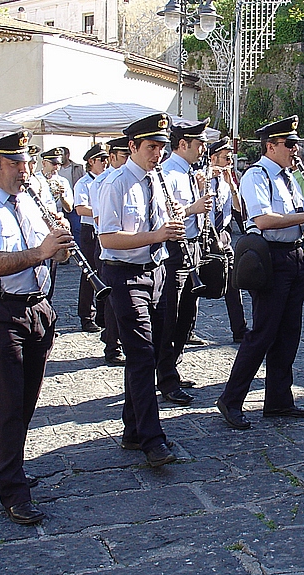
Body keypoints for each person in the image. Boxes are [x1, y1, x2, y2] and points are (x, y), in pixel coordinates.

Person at [0, 129, 73, 525]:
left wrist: (56, 247)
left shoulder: (29, 201)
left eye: (26, 163)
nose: (25, 171)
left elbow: (45, 256)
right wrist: (40, 251)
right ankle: (13, 489)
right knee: (7, 402)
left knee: (25, 399)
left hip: (37, 308)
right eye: (16, 164)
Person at [215, 115, 304, 430]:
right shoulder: (257, 175)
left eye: (295, 144)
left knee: (289, 333)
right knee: (262, 334)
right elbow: (263, 220)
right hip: (271, 260)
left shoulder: (288, 178)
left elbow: (296, 223)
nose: (296, 150)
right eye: (290, 144)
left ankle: (279, 400)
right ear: (271, 146)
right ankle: (231, 399)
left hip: (294, 258)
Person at [98, 113, 184, 466]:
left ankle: (133, 429)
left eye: (162, 147)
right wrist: (157, 235)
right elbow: (107, 238)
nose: (158, 154)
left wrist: (176, 219)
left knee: (154, 349)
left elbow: (164, 225)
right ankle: (152, 439)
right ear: (132, 146)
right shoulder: (116, 183)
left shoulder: (158, 180)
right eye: (151, 147)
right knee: (141, 355)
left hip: (158, 271)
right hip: (125, 274)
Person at [156, 119, 213, 406]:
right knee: (171, 315)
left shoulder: (190, 172)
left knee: (187, 314)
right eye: (199, 143)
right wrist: (195, 207)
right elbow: (168, 216)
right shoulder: (168, 173)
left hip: (193, 246)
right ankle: (165, 376)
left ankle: (173, 368)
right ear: (182, 144)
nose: (203, 148)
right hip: (174, 250)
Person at [91, 137, 131, 365]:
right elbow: (99, 219)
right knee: (111, 298)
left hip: (134, 245)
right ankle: (112, 346)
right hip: (108, 244)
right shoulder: (104, 182)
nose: (127, 160)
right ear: (112, 157)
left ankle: (117, 340)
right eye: (123, 156)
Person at [207, 135, 248, 343]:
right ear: (213, 158)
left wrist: (233, 187)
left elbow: (240, 211)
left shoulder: (226, 182)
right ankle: (187, 331)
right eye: (226, 159)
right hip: (205, 237)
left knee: (233, 284)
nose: (229, 163)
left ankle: (239, 329)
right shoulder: (200, 178)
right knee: (197, 284)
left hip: (224, 236)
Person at [72, 145, 109, 333]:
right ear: (91, 162)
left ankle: (103, 313)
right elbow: (80, 208)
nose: (105, 163)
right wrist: (104, 211)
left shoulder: (107, 179)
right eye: (101, 160)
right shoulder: (83, 183)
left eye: (106, 159)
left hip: (104, 228)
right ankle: (86, 316)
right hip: (89, 230)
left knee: (105, 271)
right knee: (89, 273)